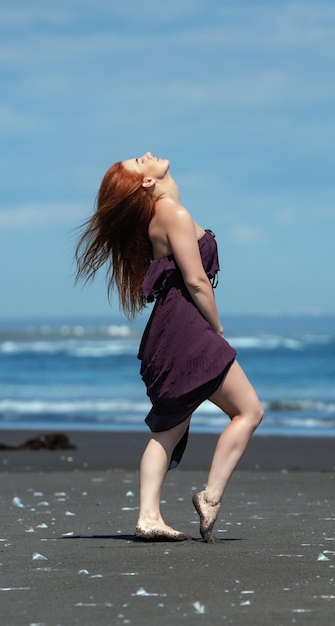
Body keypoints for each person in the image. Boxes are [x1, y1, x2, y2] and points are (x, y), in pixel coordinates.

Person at [75, 152, 263, 542]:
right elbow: (196, 282)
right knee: (248, 411)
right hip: (186, 331)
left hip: (170, 331)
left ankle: (149, 517)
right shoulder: (172, 213)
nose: (145, 155)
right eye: (137, 162)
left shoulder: (163, 215)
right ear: (146, 183)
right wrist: (217, 328)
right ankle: (209, 497)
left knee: (169, 428)